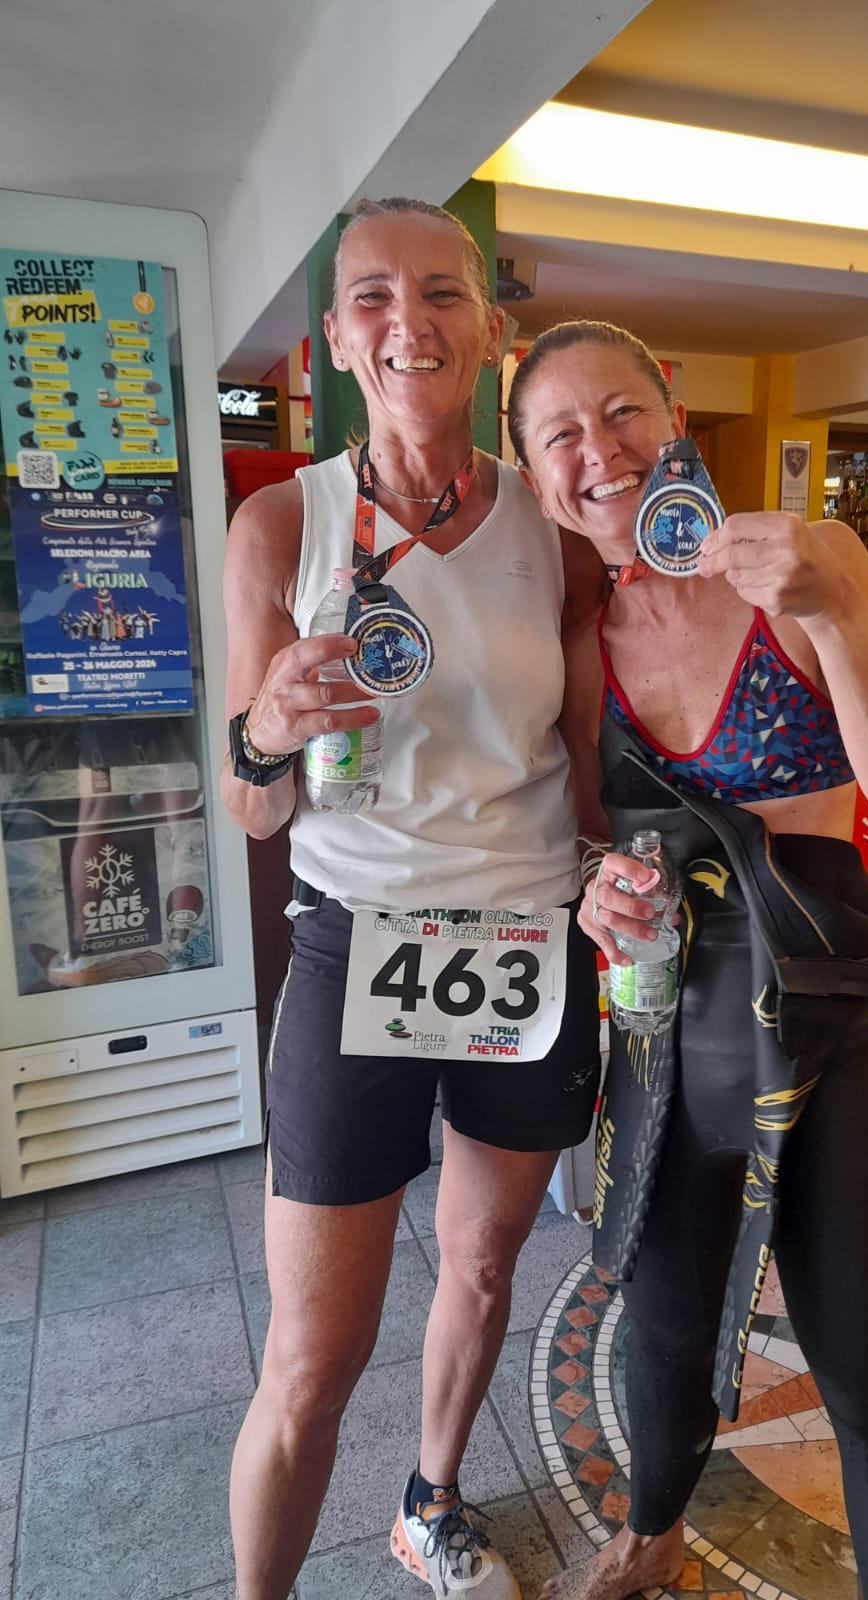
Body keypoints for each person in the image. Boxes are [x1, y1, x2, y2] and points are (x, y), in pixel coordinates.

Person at [506, 321, 868, 1600]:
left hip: (823, 1045)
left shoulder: (809, 561)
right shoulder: (583, 649)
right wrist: (598, 893)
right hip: (665, 1049)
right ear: (538, 479)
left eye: (622, 413)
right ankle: (652, 1536)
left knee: (867, 1372)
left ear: (674, 418)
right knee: (660, 1327)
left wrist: (832, 612)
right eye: (561, 436)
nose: (601, 452)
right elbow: (592, 842)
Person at [220, 200, 601, 1600]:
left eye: (442, 293)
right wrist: (268, 728)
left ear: (490, 328)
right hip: (356, 943)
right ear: (336, 337)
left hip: (529, 941)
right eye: (373, 297)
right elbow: (255, 807)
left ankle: (427, 1502)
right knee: (311, 1357)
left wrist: (627, 891)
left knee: (484, 1264)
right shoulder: (282, 523)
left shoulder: (557, 528)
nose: (408, 323)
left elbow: (591, 765)